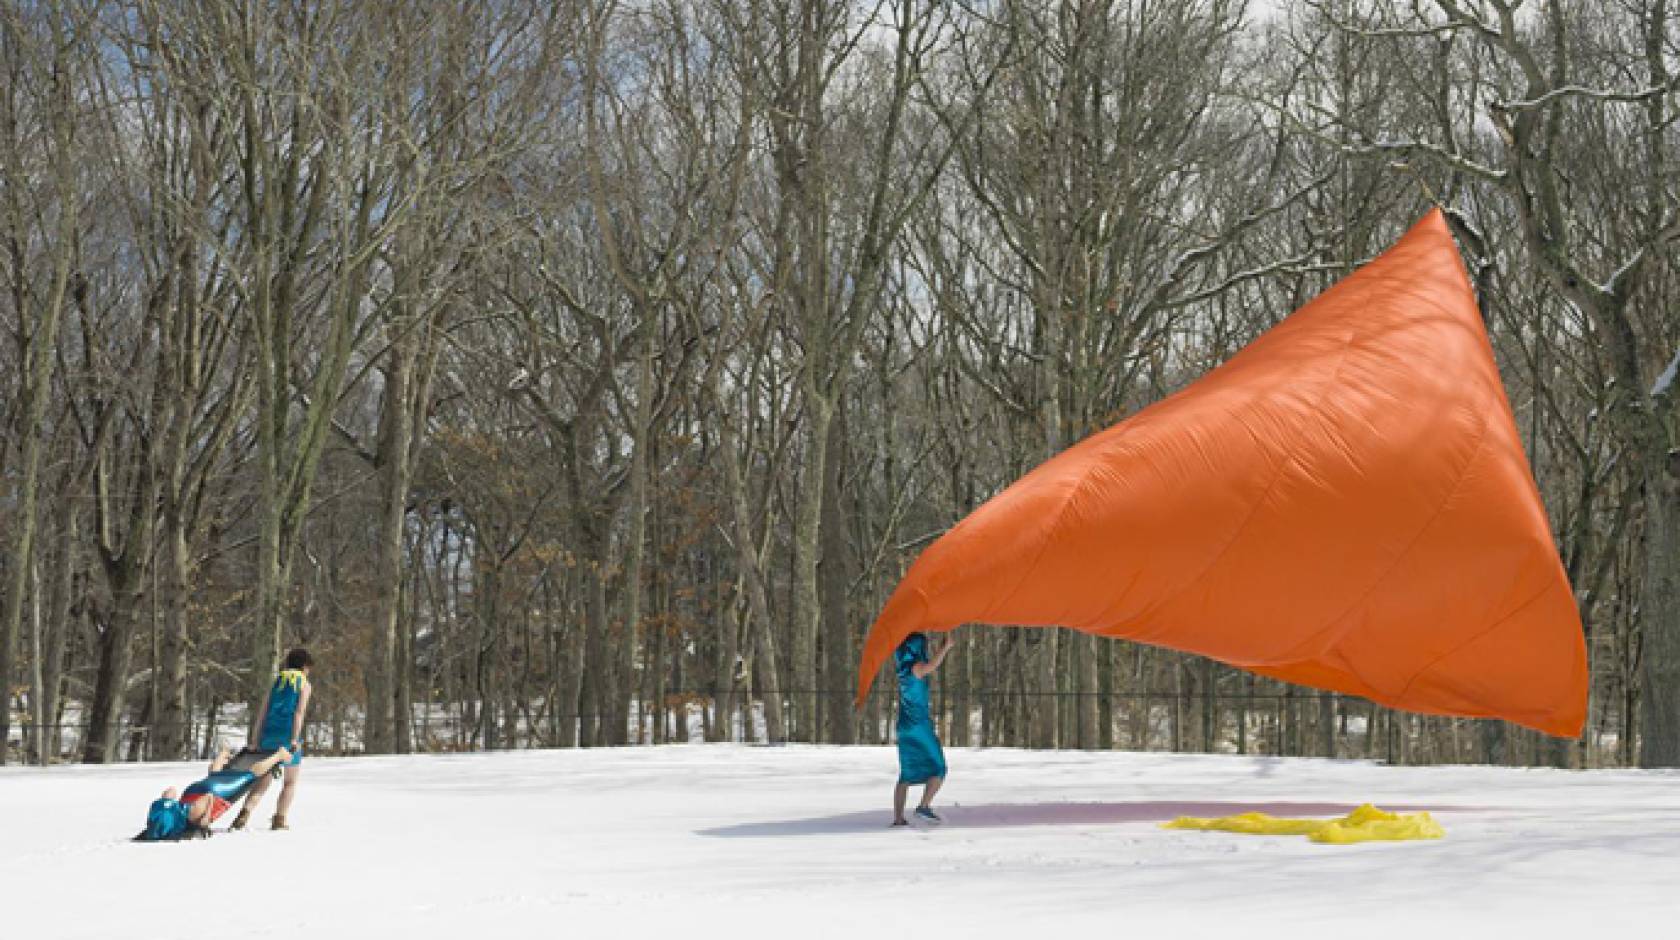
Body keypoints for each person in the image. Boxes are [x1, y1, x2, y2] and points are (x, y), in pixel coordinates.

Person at [231, 648, 314, 831]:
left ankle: (245, 812)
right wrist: (294, 739)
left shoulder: (278, 681)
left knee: (263, 781)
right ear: (304, 666)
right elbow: (298, 713)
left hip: (268, 734)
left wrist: (255, 738)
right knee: (290, 781)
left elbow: (263, 712)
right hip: (287, 735)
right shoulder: (304, 684)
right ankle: (280, 819)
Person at [136, 745, 294, 841]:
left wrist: (206, 819)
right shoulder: (162, 809)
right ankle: (223, 754)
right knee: (214, 775)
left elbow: (209, 797)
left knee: (249, 776)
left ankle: (280, 755)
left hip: (215, 794)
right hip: (192, 791)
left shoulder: (192, 815)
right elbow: (170, 791)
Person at [892, 630, 955, 827]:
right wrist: (945, 648)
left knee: (906, 772)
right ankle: (924, 806)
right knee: (939, 767)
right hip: (919, 725)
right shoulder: (916, 668)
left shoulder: (903, 670)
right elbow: (932, 665)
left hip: (904, 726)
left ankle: (898, 818)